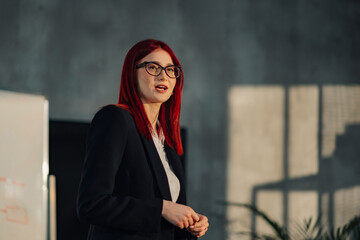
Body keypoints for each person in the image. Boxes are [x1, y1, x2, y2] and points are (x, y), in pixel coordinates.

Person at [77, 39, 209, 240]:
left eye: (170, 70)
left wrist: (190, 223)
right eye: (153, 67)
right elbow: (91, 204)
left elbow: (168, 214)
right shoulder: (115, 119)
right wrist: (162, 209)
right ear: (132, 73)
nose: (163, 76)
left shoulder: (168, 140)